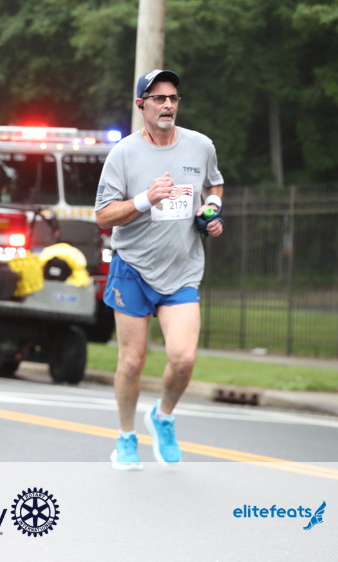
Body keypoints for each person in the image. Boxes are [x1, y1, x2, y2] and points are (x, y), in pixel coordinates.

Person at [95, 69, 224, 470]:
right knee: (132, 361)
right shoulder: (123, 154)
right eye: (158, 98)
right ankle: (125, 437)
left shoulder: (201, 146)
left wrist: (211, 211)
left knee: (183, 358)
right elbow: (103, 216)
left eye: (173, 98)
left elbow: (214, 186)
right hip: (133, 268)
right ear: (141, 105)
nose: (168, 105)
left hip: (182, 269)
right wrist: (145, 199)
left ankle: (163, 416)